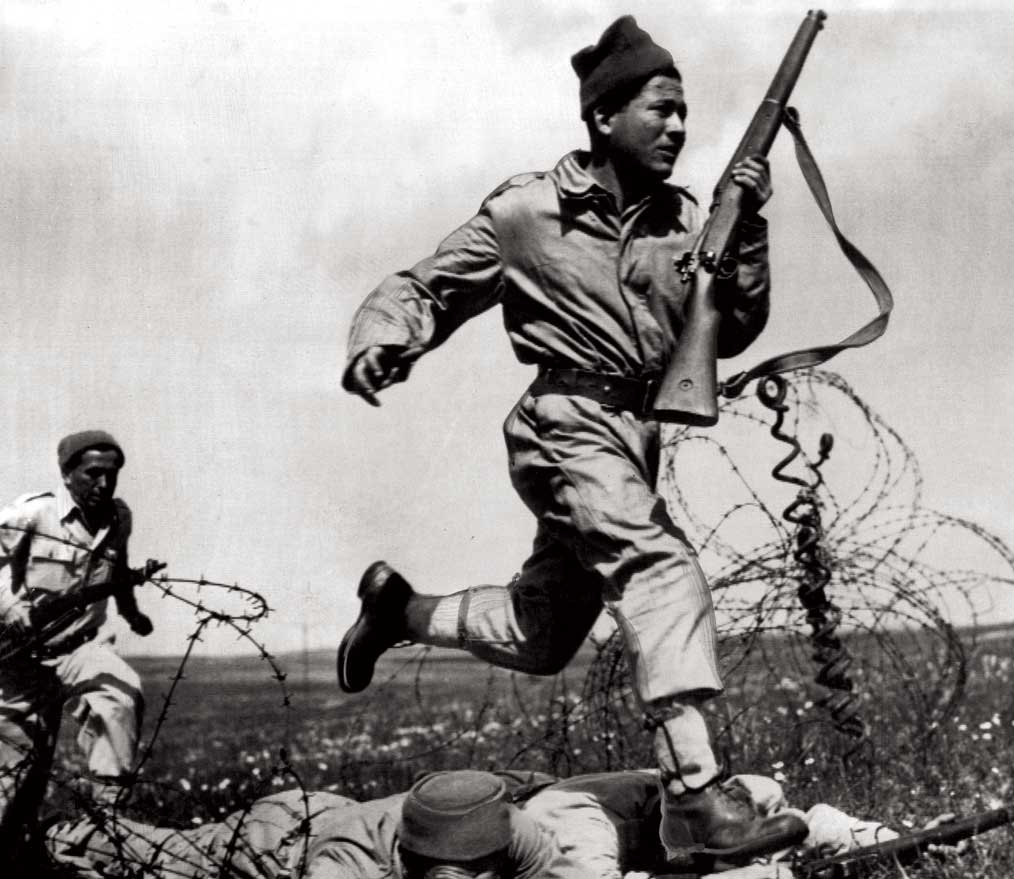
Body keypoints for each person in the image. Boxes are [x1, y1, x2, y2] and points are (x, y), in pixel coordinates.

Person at [336, 15, 790, 856]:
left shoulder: (685, 222)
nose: (679, 127)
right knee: (658, 563)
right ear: (602, 117)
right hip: (562, 423)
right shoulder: (525, 211)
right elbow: (427, 287)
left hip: (632, 438)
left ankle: (399, 608)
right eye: (661, 108)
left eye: (686, 111)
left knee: (542, 633)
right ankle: (694, 794)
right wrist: (381, 337)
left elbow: (732, 331)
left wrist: (749, 226)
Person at [45, 768, 900, 879]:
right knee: (139, 857)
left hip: (336, 808)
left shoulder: (522, 838)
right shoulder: (346, 866)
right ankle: (51, 832)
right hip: (284, 835)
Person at [0, 430, 157, 851]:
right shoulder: (35, 515)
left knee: (119, 694)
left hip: (81, 648)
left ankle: (105, 822)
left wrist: (131, 613)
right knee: (13, 779)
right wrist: (7, 605)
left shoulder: (118, 518)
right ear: (67, 474)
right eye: (92, 474)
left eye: (112, 475)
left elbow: (118, 571)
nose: (103, 485)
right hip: (21, 662)